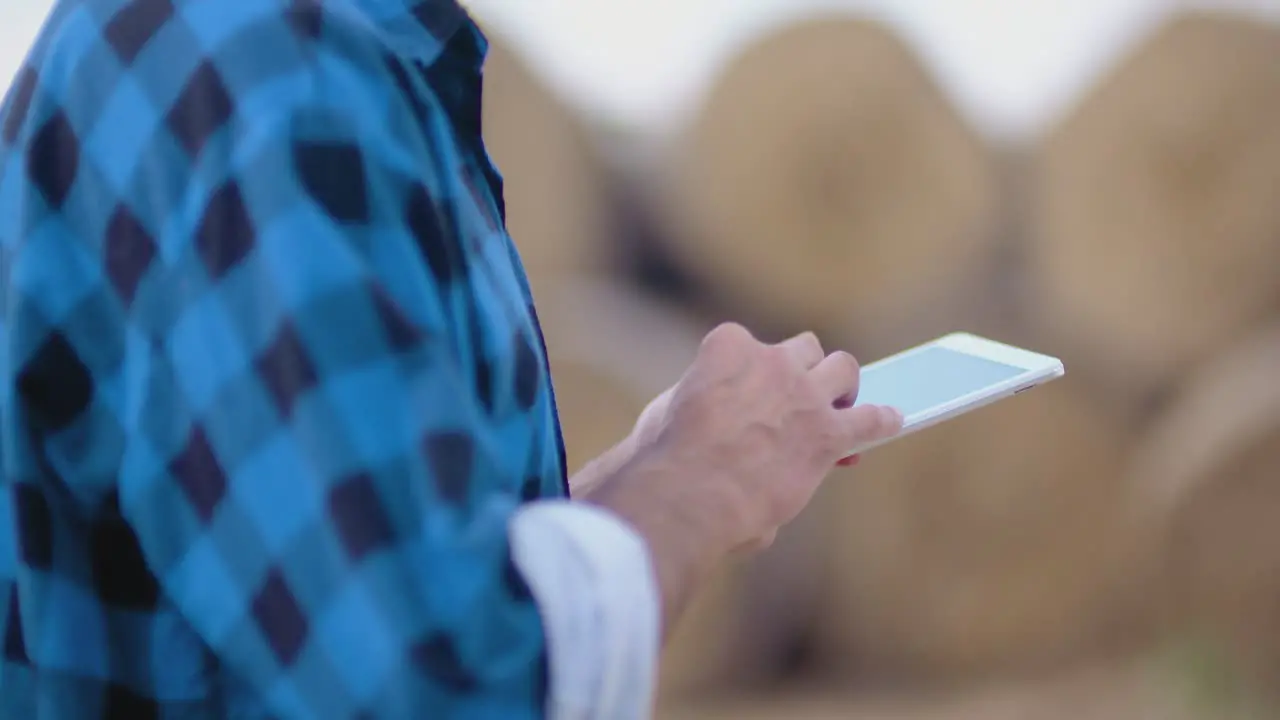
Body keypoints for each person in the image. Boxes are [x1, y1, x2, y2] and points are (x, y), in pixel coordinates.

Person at [0, 0, 903, 717]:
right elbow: (431, 686)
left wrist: (637, 476)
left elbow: (290, 588)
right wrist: (703, 486)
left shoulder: (294, 51)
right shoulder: (268, 69)